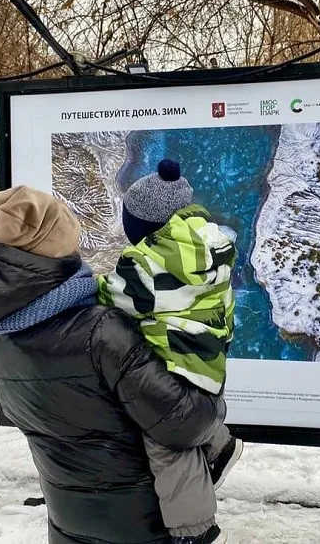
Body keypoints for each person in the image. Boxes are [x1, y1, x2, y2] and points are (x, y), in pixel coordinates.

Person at [0, 185, 228, 544]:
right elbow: (184, 423)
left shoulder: (0, 338)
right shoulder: (100, 331)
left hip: (67, 523)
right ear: (57, 243)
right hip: (140, 526)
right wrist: (208, 384)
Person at [97, 160, 243, 540]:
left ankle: (196, 530)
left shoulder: (145, 264)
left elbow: (111, 298)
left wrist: (85, 285)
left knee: (165, 442)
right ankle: (218, 444)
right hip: (207, 366)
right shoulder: (215, 248)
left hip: (176, 369)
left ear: (141, 225)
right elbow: (225, 308)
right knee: (185, 418)